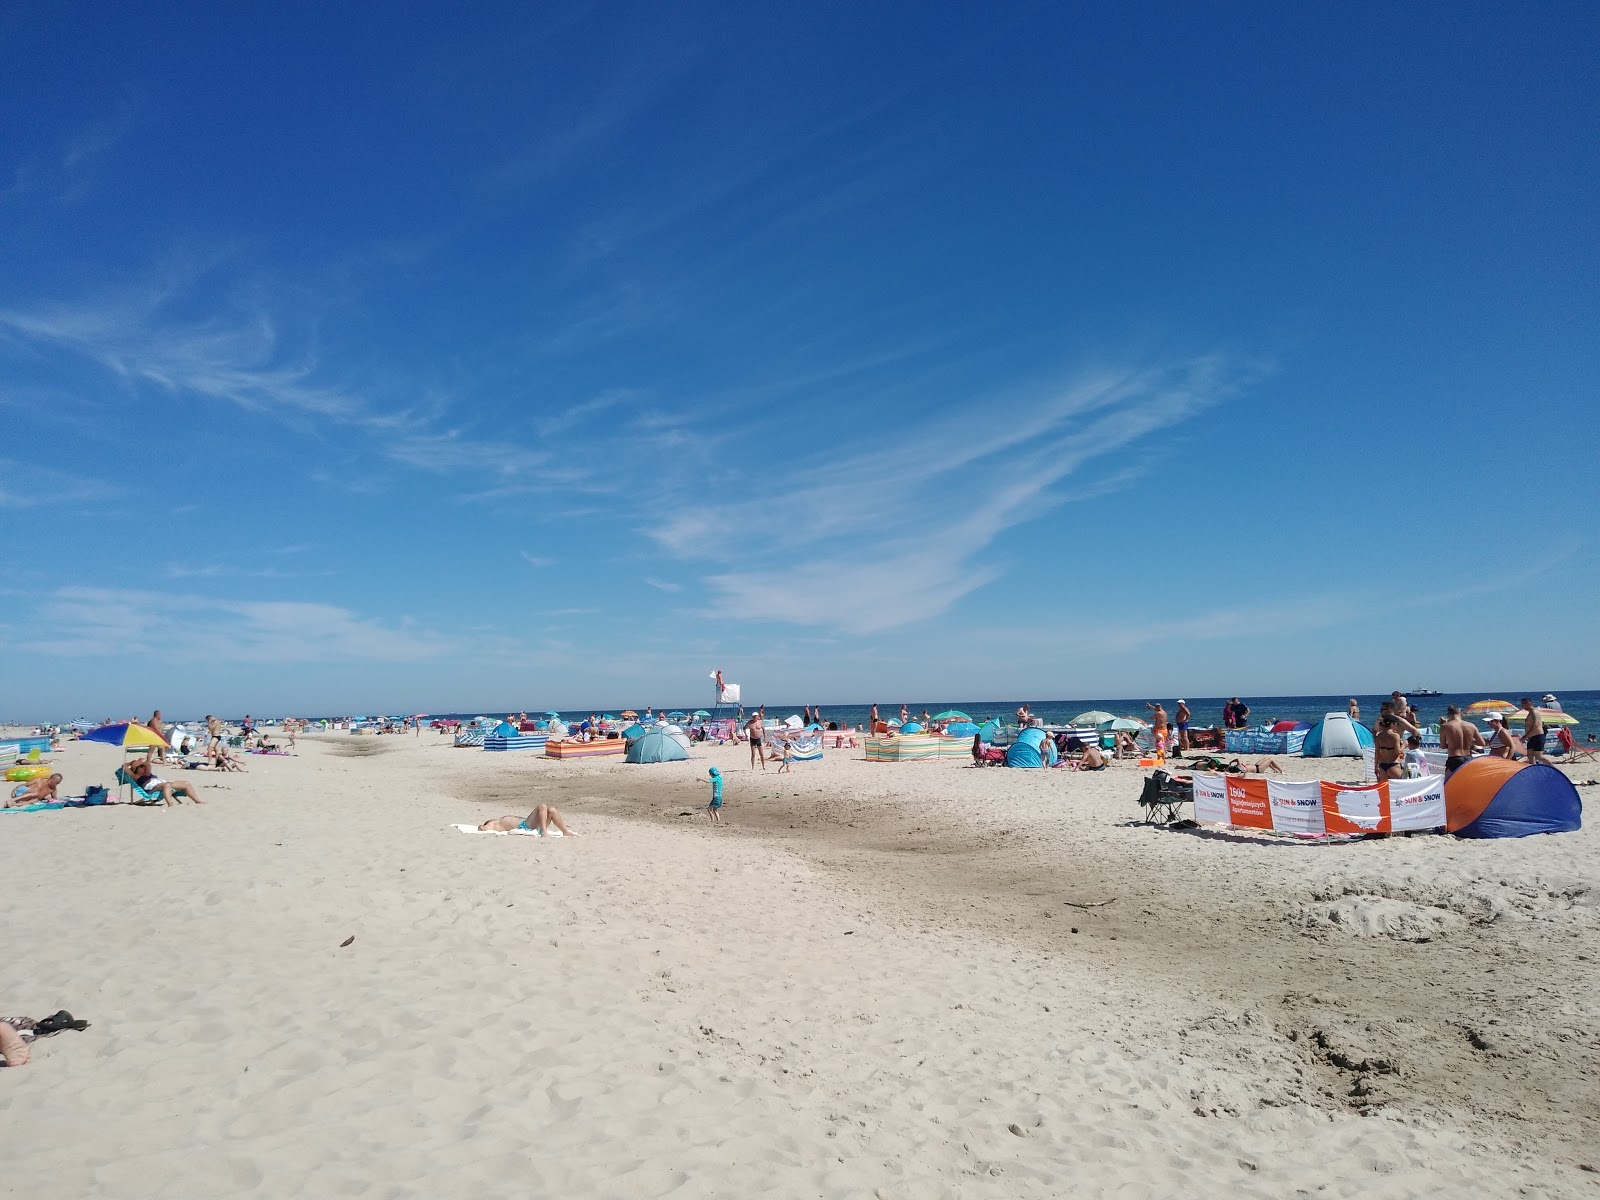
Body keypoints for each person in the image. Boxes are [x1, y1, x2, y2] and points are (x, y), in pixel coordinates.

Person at [125, 754, 204, 804]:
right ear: (136, 770)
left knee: (186, 783)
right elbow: (124, 768)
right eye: (140, 767)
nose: (143, 767)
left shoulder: (148, 773)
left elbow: (148, 764)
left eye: (143, 766)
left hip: (162, 784)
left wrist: (142, 762)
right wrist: (129, 763)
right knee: (166, 785)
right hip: (152, 789)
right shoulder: (136, 776)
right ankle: (170, 804)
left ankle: (197, 801)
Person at [1439, 705, 1485, 775]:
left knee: (1449, 784)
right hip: (1468, 758)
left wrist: (1453, 744)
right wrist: (1468, 742)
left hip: (1454, 758)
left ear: (1448, 715)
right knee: (1467, 783)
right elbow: (1482, 743)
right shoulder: (1471, 725)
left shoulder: (1445, 726)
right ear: (1461, 714)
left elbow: (1443, 745)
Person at [477, 804, 574, 835]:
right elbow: (483, 828)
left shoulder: (499, 820)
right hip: (524, 825)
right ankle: (544, 831)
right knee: (542, 806)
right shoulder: (493, 823)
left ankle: (565, 831)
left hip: (531, 824)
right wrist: (483, 826)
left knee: (552, 810)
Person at [1520, 697, 1551, 766]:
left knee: (1539, 756)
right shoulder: (1530, 713)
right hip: (1531, 738)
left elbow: (1536, 726)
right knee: (1530, 755)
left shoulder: (1535, 712)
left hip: (1537, 736)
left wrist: (1525, 736)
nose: (1522, 706)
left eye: (1523, 704)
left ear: (1528, 704)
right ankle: (1533, 769)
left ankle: (1553, 768)